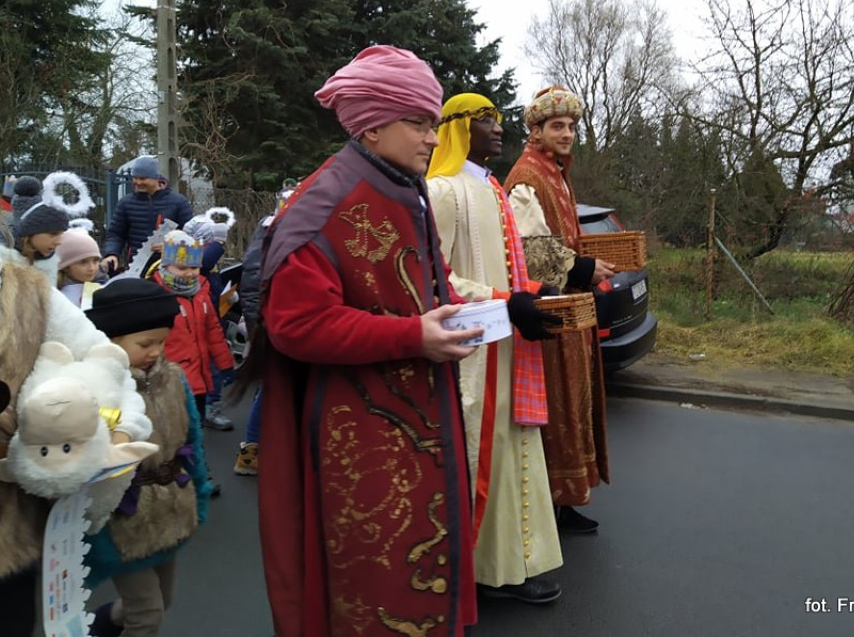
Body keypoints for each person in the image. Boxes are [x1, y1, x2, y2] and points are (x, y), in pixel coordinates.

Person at [257, 45, 482, 637]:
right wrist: (414, 335)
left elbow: (418, 282)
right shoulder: (324, 201)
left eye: (433, 123)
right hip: (355, 434)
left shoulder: (402, 186)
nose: (432, 138)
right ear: (373, 124)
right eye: (419, 122)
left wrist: (454, 313)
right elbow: (294, 324)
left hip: (417, 419)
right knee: (371, 591)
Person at [0, 169, 152, 637]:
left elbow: (103, 362)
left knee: (9, 619)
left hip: (10, 500)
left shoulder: (27, 289)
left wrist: (117, 429)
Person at [426, 92, 565, 603]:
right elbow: (437, 279)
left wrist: (529, 296)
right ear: (459, 127)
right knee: (482, 456)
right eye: (487, 119)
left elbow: (510, 264)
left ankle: (511, 564)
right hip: (474, 350)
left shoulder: (489, 187)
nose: (499, 128)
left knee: (514, 452)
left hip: (506, 343)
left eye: (500, 119)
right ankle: (478, 573)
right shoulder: (443, 190)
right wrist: (506, 301)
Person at [504, 86, 616, 534]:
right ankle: (547, 503)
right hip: (550, 307)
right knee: (556, 404)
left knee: (573, 400)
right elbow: (530, 249)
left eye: (571, 127)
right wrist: (582, 268)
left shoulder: (556, 171)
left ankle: (563, 500)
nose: (567, 134)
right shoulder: (527, 176)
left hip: (572, 307)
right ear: (535, 131)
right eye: (557, 126)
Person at [83, 278, 212, 637]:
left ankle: (98, 627)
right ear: (110, 340)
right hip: (122, 516)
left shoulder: (173, 379)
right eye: (145, 343)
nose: (156, 351)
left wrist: (199, 492)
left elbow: (192, 438)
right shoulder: (96, 388)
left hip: (169, 507)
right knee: (147, 613)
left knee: (161, 599)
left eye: (162, 341)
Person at [232, 182, 295, 476]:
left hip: (289, 322)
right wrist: (260, 326)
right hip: (272, 325)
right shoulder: (269, 234)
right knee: (270, 385)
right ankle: (251, 452)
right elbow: (253, 283)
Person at [182, 207, 238, 431]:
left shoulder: (208, 269)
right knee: (204, 368)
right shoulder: (195, 263)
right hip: (197, 327)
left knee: (213, 366)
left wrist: (228, 296)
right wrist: (219, 242)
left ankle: (211, 406)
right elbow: (204, 262)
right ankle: (201, 408)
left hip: (214, 322)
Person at [101, 157, 194, 273]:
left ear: (156, 178)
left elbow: (190, 235)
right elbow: (115, 234)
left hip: (171, 268)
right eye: (135, 178)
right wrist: (112, 253)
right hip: (136, 268)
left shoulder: (179, 202)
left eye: (143, 178)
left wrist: (172, 248)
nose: (138, 182)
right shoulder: (126, 203)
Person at [57, 228, 103, 307]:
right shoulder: (55, 295)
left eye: (95, 261)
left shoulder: (99, 286)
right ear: (66, 267)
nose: (92, 268)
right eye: (83, 262)